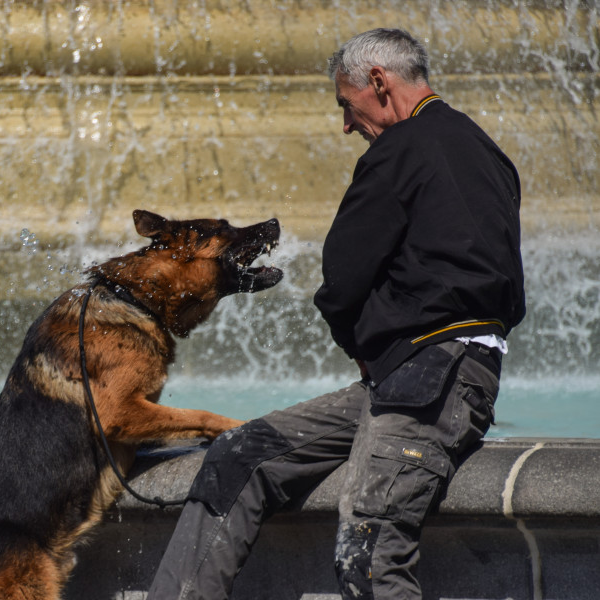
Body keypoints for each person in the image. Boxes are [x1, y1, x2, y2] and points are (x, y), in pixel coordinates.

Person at [146, 28, 526, 600]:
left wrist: (360, 340)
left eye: (346, 106)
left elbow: (343, 279)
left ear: (379, 82)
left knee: (370, 557)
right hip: (428, 377)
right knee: (238, 455)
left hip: (429, 382)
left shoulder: (398, 150)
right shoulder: (486, 151)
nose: (346, 124)